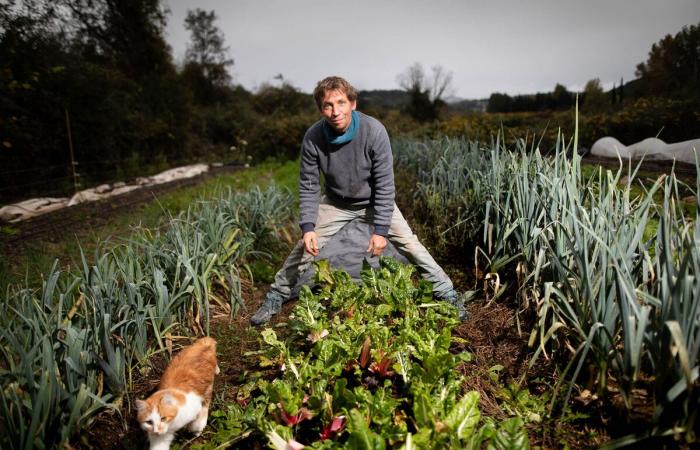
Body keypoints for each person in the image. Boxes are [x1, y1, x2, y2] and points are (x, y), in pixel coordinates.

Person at [250, 76, 467, 325]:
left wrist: (380, 230)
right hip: (336, 202)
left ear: (352, 103)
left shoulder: (373, 131)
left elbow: (385, 185)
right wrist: (308, 227)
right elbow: (309, 185)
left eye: (341, 103)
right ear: (321, 109)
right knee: (304, 247)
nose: (335, 111)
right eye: (328, 105)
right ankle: (275, 296)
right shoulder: (313, 138)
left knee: (410, 244)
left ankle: (448, 293)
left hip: (374, 200)